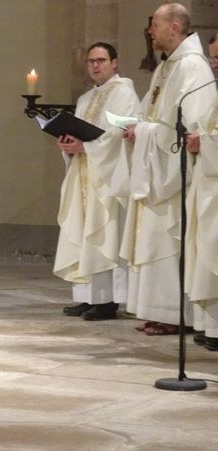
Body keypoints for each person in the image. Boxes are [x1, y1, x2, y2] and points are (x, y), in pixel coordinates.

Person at [120, 3, 216, 336]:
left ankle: (175, 314)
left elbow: (193, 125)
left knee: (169, 242)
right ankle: (156, 311)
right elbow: (149, 113)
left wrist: (146, 132)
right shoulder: (166, 66)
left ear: (175, 27)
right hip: (154, 167)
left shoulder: (193, 67)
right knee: (154, 240)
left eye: (156, 25)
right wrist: (135, 128)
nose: (150, 31)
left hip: (173, 172)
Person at [54, 42, 141, 321]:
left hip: (107, 177)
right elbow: (79, 131)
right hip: (83, 173)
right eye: (91, 61)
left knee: (104, 233)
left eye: (101, 60)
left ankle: (107, 300)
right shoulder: (85, 99)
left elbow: (120, 134)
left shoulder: (124, 93)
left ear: (114, 63)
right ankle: (87, 296)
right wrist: (67, 144)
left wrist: (86, 147)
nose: (95, 65)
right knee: (83, 234)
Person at [183, 31, 218, 351]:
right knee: (206, 259)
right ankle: (211, 326)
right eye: (213, 58)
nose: (215, 65)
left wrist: (204, 143)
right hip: (209, 186)